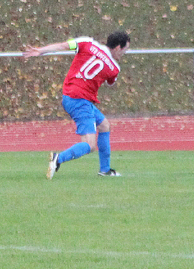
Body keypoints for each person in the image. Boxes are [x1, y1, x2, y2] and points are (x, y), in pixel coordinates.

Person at [23, 31, 131, 179]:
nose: (125, 53)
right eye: (125, 49)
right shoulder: (114, 68)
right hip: (80, 101)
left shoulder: (87, 43)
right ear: (118, 47)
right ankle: (58, 158)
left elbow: (63, 46)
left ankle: (105, 170)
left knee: (104, 125)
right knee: (90, 145)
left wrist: (40, 50)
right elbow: (110, 83)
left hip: (70, 96)